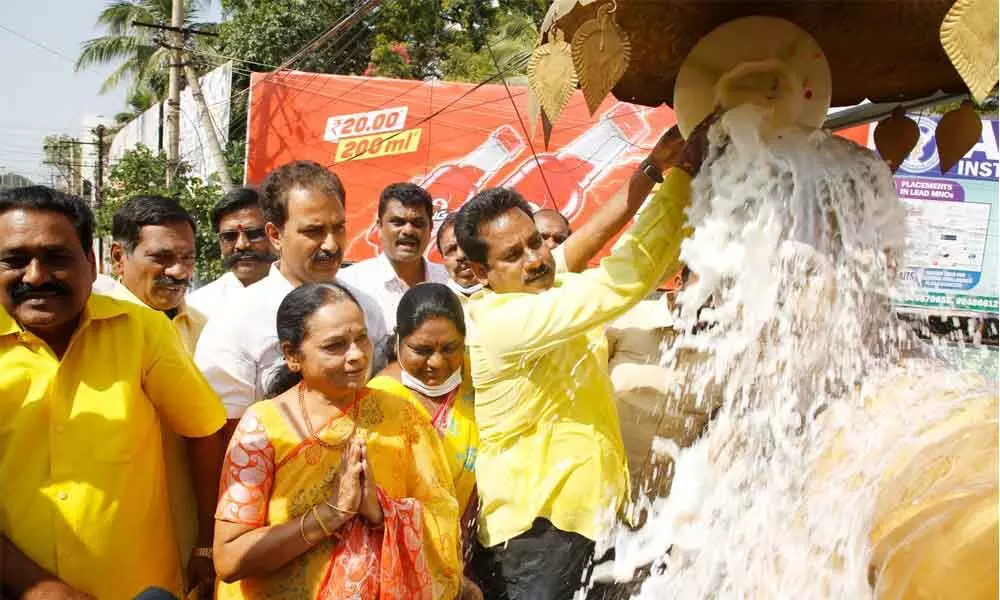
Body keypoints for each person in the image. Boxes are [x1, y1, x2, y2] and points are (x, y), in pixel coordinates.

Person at [453, 122, 709, 599]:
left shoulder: (543, 284)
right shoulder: (504, 321)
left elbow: (584, 242)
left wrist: (654, 167)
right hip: (536, 531)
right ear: (480, 272)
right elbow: (621, 279)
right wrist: (684, 175)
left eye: (536, 241)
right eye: (514, 253)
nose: (536, 257)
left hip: (589, 514)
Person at [0, 186, 226, 599]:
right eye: (15, 260)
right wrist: (38, 587)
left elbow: (203, 431)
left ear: (92, 261)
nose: (35, 276)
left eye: (56, 257)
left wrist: (207, 545)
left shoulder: (141, 330)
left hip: (140, 588)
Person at [212, 283, 461, 599]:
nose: (356, 355)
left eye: (361, 338)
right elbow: (230, 558)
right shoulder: (263, 427)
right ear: (291, 355)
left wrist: (379, 510)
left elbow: (440, 517)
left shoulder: (402, 417)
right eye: (335, 346)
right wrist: (330, 513)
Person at [195, 160, 387, 445]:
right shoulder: (235, 322)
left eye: (338, 228)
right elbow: (218, 439)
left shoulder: (366, 307)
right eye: (314, 231)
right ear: (275, 235)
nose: (331, 245)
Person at [367, 285, 480, 564]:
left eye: (451, 348)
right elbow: (381, 504)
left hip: (474, 551)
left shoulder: (477, 379)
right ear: (398, 342)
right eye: (422, 349)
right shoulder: (379, 401)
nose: (437, 362)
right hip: (408, 557)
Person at [605, 266, 721, 502]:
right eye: (706, 289)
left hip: (655, 517)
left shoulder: (728, 353)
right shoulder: (627, 319)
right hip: (595, 497)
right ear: (679, 283)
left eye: (723, 291)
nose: (713, 302)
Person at [100, 195, 206, 353]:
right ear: (118, 257)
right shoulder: (90, 329)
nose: (178, 272)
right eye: (161, 258)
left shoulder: (206, 331)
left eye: (188, 258)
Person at [338, 182, 448, 330]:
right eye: (398, 222)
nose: (408, 231)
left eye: (417, 223)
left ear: (430, 229)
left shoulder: (448, 281)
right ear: (379, 226)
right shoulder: (349, 284)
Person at [188, 187, 277, 320]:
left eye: (254, 234)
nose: (241, 245)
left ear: (275, 235)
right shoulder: (198, 308)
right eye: (230, 236)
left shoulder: (306, 295)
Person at [436, 213, 483, 298]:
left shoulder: (510, 295)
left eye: (467, 244)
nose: (460, 256)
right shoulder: (436, 302)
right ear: (443, 260)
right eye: (451, 250)